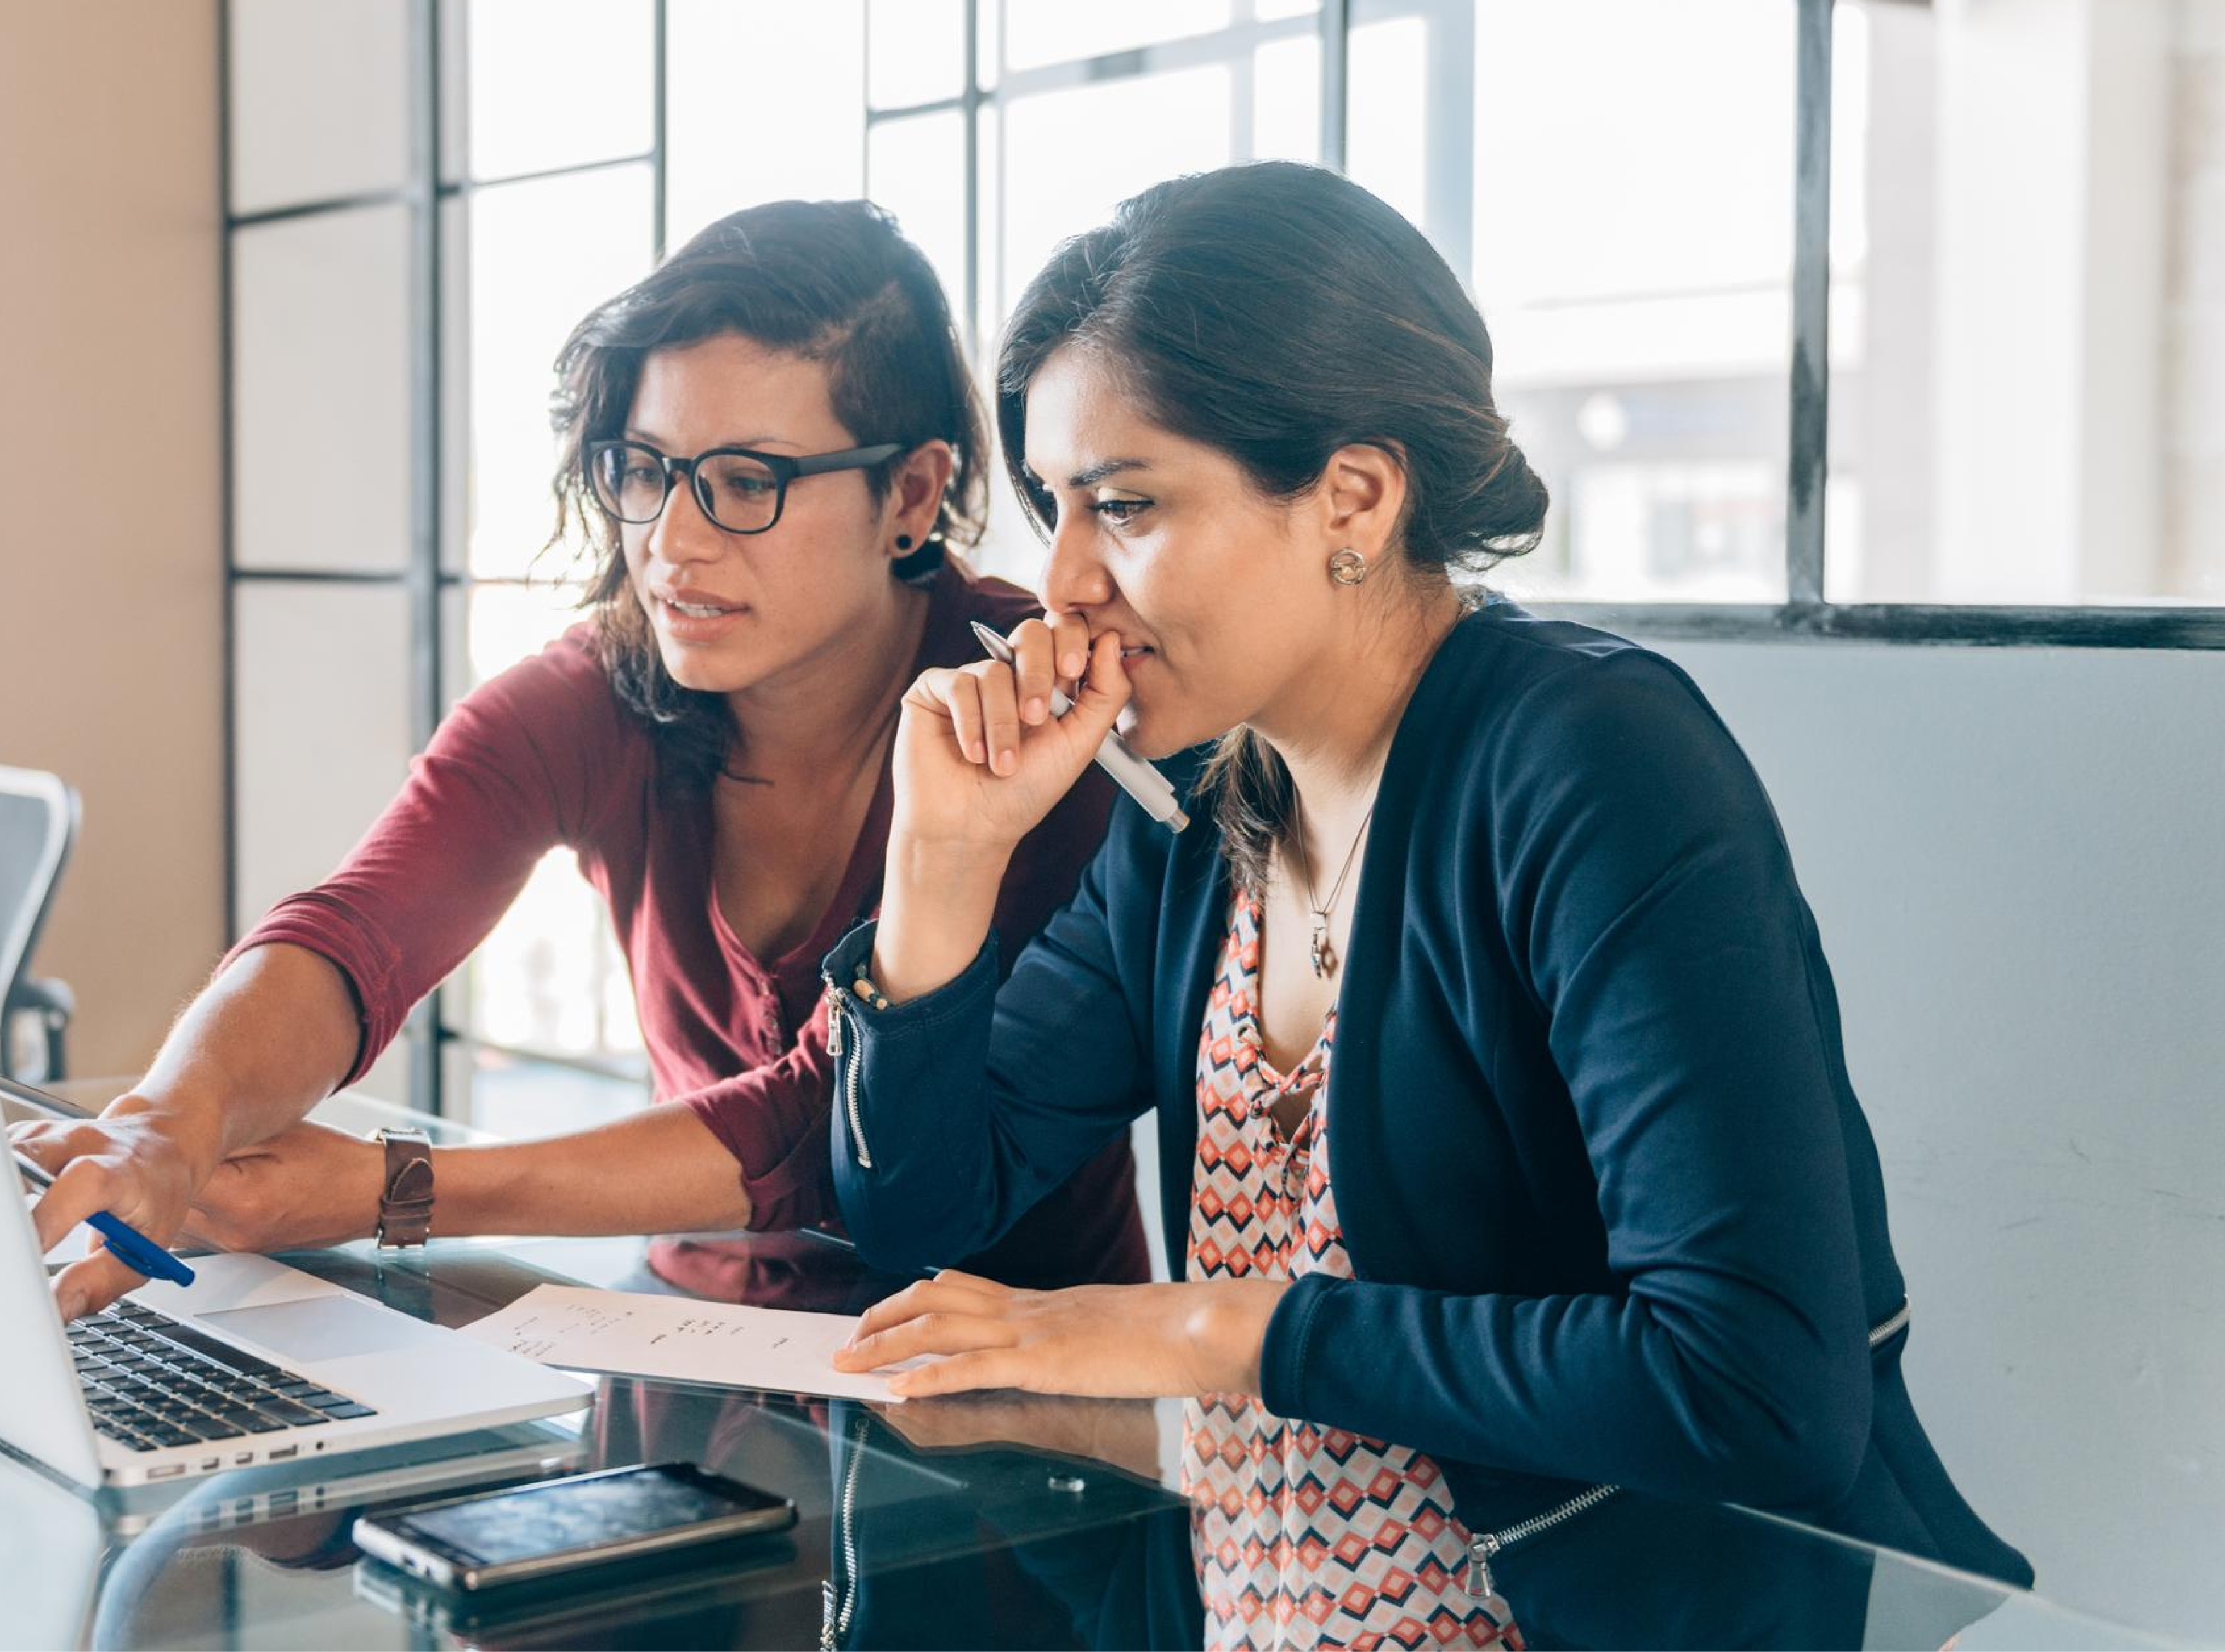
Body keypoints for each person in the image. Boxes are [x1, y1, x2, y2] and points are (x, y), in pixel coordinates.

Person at [815, 162, 2030, 1644]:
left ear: (1354, 496)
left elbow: (1751, 1385)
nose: (1061, 583)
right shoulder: (1203, 810)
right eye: (1054, 510)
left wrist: (1210, 1326)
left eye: (1123, 506)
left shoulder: (1591, 762)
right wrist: (937, 868)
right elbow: (916, 1209)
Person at [14, 199, 1146, 1322]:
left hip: (1006, 1397)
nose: (671, 541)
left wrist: (391, 1187)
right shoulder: (609, 685)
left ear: (909, 494)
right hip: (685, 1332)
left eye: (747, 482)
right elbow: (358, 928)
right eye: (645, 469)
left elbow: (819, 1128)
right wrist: (169, 1121)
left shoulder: (1037, 717)